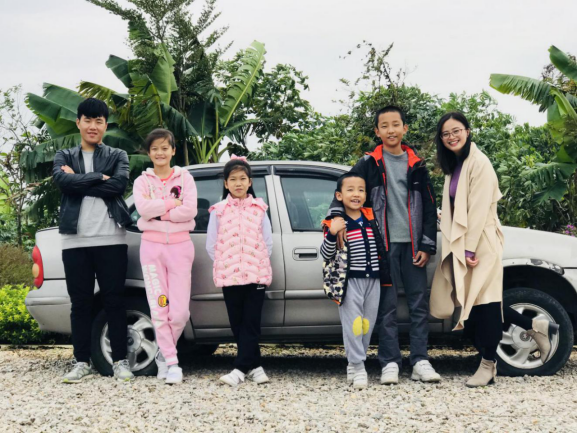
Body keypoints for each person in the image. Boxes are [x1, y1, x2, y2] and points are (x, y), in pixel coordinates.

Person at [430, 112, 560, 388]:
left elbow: (478, 210)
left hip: (480, 244)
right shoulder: (456, 164)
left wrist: (468, 250)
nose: (451, 137)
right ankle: (532, 326)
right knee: (476, 304)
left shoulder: (479, 162)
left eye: (456, 130)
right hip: (467, 242)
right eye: (446, 133)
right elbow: (460, 205)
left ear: (467, 131)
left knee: (485, 304)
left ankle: (488, 365)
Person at [326, 106, 441, 385]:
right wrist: (335, 220)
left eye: (396, 124)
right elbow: (344, 190)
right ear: (377, 131)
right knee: (386, 307)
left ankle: (420, 360)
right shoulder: (368, 163)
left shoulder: (417, 164)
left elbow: (429, 205)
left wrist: (427, 244)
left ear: (404, 128)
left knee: (418, 304)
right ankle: (390, 362)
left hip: (413, 247)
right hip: (383, 247)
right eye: (384, 126)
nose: (391, 130)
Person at [54, 98, 134, 383]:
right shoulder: (64, 155)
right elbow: (62, 182)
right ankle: (81, 361)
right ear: (78, 122)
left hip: (111, 238)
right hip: (75, 241)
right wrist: (100, 177)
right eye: (87, 120)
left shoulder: (117, 154)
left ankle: (120, 361)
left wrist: (79, 180)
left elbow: (119, 185)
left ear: (105, 125)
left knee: (114, 301)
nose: (93, 126)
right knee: (81, 304)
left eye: (98, 121)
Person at [133, 129, 198, 385]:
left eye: (164, 148)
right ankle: (171, 362)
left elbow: (190, 210)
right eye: (154, 149)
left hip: (180, 249)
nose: (160, 153)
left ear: (173, 150)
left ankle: (162, 351)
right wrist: (172, 204)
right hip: (152, 250)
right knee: (160, 307)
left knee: (179, 312)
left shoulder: (185, 178)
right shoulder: (142, 182)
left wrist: (158, 211)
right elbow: (143, 209)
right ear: (149, 153)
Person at [206, 156, 273, 387]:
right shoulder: (218, 211)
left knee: (251, 322)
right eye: (233, 179)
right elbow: (211, 244)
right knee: (237, 323)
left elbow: (267, 242)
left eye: (242, 178)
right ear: (226, 184)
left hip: (256, 275)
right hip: (229, 276)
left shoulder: (259, 208)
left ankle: (239, 369)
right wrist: (227, 264)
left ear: (250, 182)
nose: (238, 183)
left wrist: (255, 262)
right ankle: (256, 367)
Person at [321, 173, 391, 389]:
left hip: (374, 279)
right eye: (350, 190)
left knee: (367, 325)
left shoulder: (371, 218)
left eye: (361, 190)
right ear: (339, 195)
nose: (356, 194)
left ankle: (354, 363)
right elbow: (326, 254)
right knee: (353, 326)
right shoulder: (335, 222)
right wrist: (332, 233)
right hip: (349, 282)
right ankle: (359, 367)